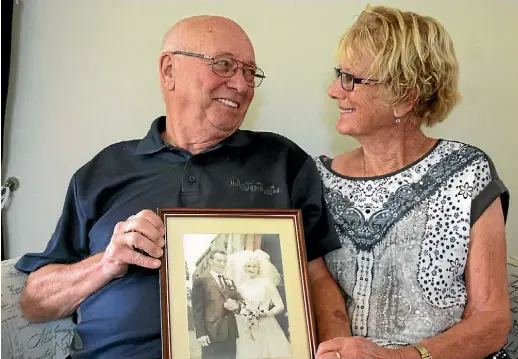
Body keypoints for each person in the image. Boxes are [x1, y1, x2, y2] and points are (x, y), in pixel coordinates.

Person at [14, 15, 351, 359]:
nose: (241, 84)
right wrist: (106, 263)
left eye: (250, 72)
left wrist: (338, 351)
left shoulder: (282, 161)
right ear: (169, 70)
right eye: (224, 65)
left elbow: (317, 278)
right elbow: (34, 301)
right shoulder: (105, 170)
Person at [314, 6, 511, 359]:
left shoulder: (466, 172)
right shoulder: (316, 178)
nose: (333, 90)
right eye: (338, 75)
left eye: (350, 79)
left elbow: (492, 320)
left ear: (404, 97)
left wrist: (399, 358)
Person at [226, 249, 292, 359]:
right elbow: (242, 308)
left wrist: (266, 314)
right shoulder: (241, 288)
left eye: (253, 266)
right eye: (248, 266)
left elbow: (280, 306)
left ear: (258, 268)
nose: (250, 269)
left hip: (267, 325)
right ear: (244, 268)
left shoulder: (266, 283)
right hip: (248, 327)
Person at [191, 250, 243, 359]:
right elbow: (197, 310)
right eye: (219, 260)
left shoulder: (229, 282)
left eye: (224, 261)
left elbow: (240, 299)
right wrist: (200, 334)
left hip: (230, 332)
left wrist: (237, 306)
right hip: (211, 333)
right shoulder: (201, 281)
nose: (222, 264)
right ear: (210, 261)